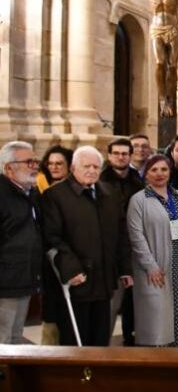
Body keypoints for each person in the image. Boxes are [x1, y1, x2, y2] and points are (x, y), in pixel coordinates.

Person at [41, 146, 132, 346]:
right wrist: (71, 269)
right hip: (76, 281)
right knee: (75, 341)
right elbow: (52, 238)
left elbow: (121, 234)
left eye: (96, 167)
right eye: (86, 166)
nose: (92, 170)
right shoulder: (55, 195)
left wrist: (125, 268)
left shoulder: (110, 193)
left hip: (103, 280)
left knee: (100, 340)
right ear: (73, 168)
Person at [127, 155, 178, 347]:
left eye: (164, 169)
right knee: (156, 317)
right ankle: (155, 358)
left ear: (170, 172)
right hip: (153, 264)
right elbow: (136, 236)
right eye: (154, 170)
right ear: (146, 174)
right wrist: (150, 266)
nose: (159, 174)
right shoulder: (138, 200)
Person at [101, 138, 144, 346]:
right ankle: (102, 347)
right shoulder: (100, 181)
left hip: (134, 246)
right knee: (110, 304)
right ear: (109, 156)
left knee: (134, 301)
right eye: (116, 153)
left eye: (125, 153)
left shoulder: (138, 182)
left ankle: (131, 340)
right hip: (110, 248)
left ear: (130, 156)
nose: (120, 157)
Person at [0, 142, 42, 344]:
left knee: (16, 338)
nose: (35, 166)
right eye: (29, 162)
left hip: (24, 278)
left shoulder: (30, 192)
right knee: (3, 339)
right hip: (5, 283)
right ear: (9, 168)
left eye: (35, 161)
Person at [35, 145, 73, 345]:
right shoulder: (40, 192)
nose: (54, 167)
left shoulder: (74, 192)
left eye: (59, 163)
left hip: (71, 260)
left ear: (69, 165)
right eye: (50, 164)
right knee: (51, 316)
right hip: (49, 262)